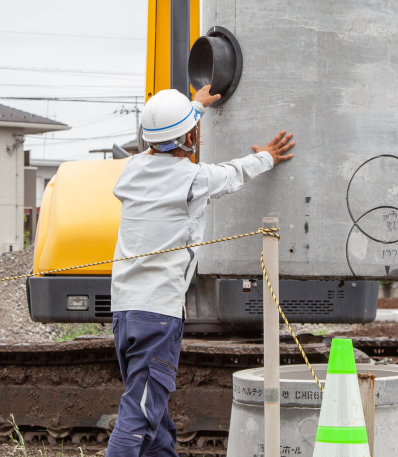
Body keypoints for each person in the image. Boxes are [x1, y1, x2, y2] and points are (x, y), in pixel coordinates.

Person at [105, 85, 294, 457]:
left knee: (153, 414)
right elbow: (233, 173)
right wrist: (269, 157)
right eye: (194, 130)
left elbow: (167, 136)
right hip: (157, 315)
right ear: (189, 136)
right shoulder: (190, 179)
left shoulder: (131, 170)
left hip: (124, 311)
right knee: (141, 412)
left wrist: (194, 107)